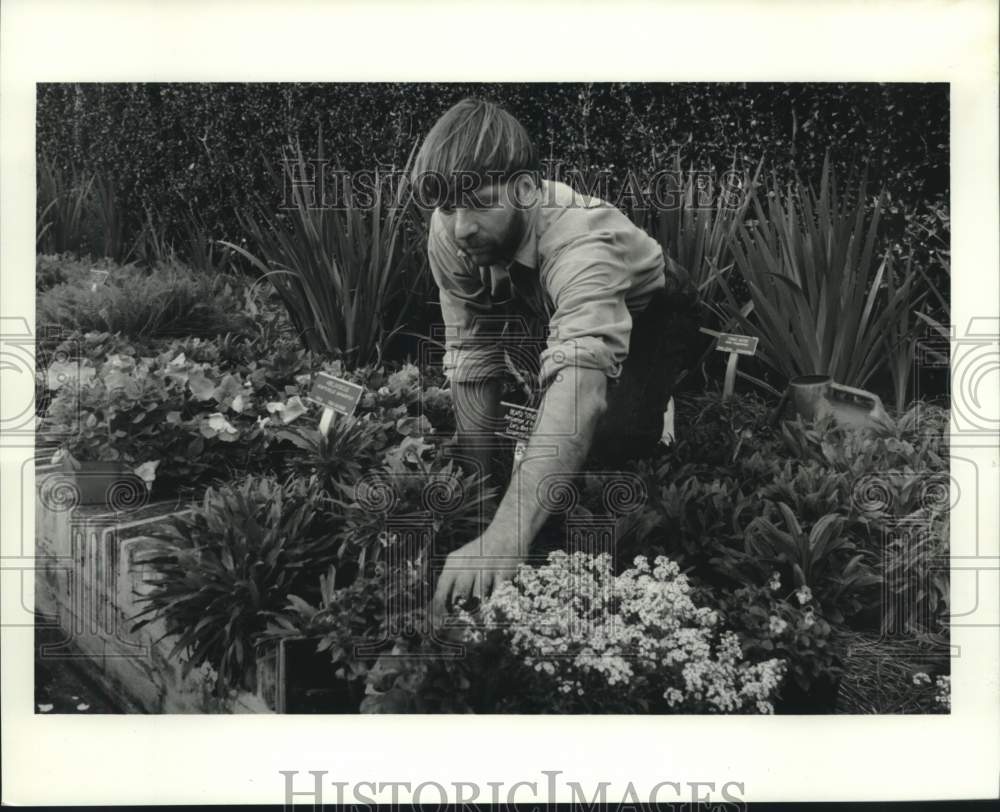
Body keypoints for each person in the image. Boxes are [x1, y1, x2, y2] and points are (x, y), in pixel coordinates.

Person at [411, 98, 692, 614]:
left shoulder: (582, 241)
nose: (460, 229)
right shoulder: (452, 234)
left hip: (655, 304)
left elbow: (581, 395)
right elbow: (473, 358)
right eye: (449, 207)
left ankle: (667, 401)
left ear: (525, 190)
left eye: (479, 203)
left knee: (614, 436)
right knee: (552, 412)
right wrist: (479, 508)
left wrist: (503, 541)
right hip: (551, 295)